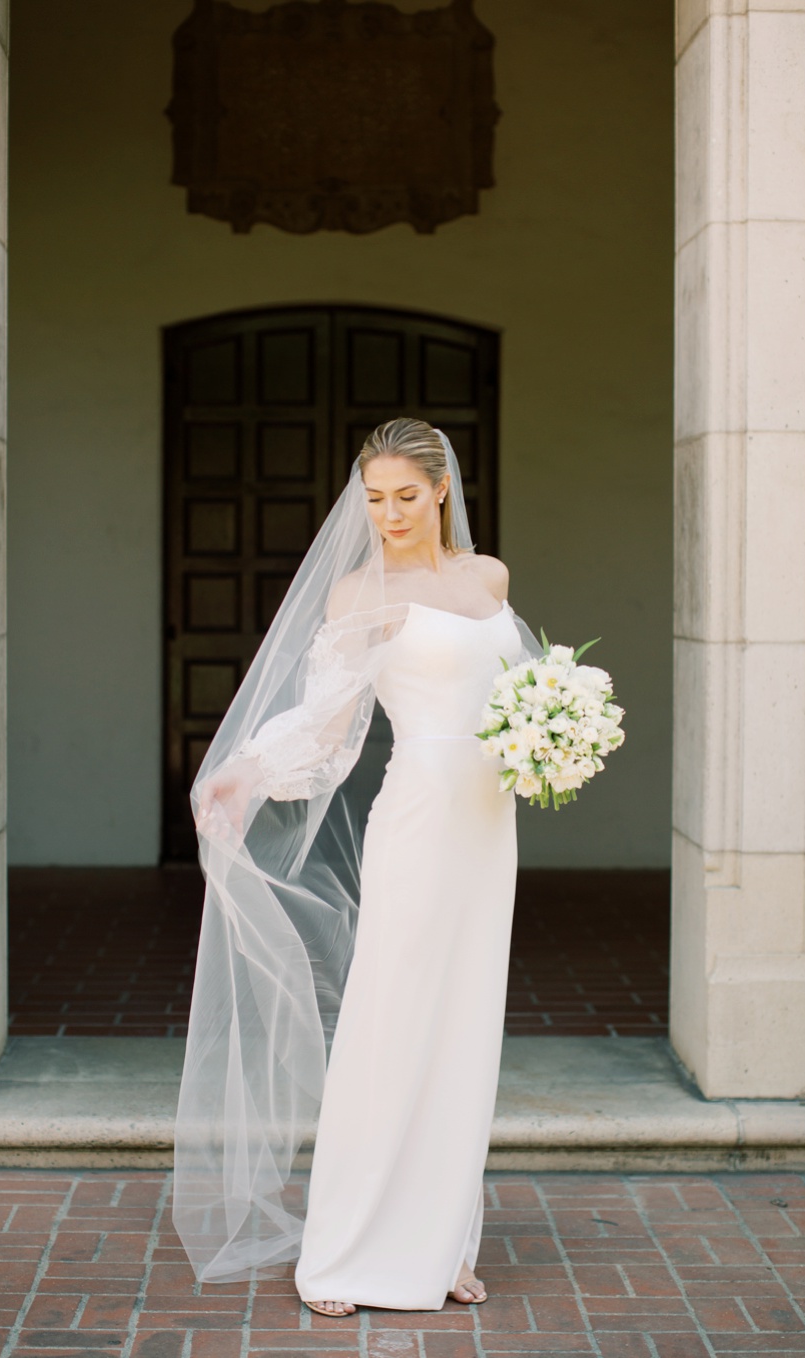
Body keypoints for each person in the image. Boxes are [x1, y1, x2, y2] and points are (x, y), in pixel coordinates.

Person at [172, 417, 533, 1315]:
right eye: (374, 499)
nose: (389, 515)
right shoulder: (358, 594)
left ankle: (442, 1242)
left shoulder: (488, 580)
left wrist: (557, 735)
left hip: (490, 828)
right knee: (390, 1023)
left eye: (406, 496)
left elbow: (522, 690)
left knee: (466, 1028)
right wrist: (245, 774)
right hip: (416, 818)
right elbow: (325, 722)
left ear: (443, 488)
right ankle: (344, 1252)